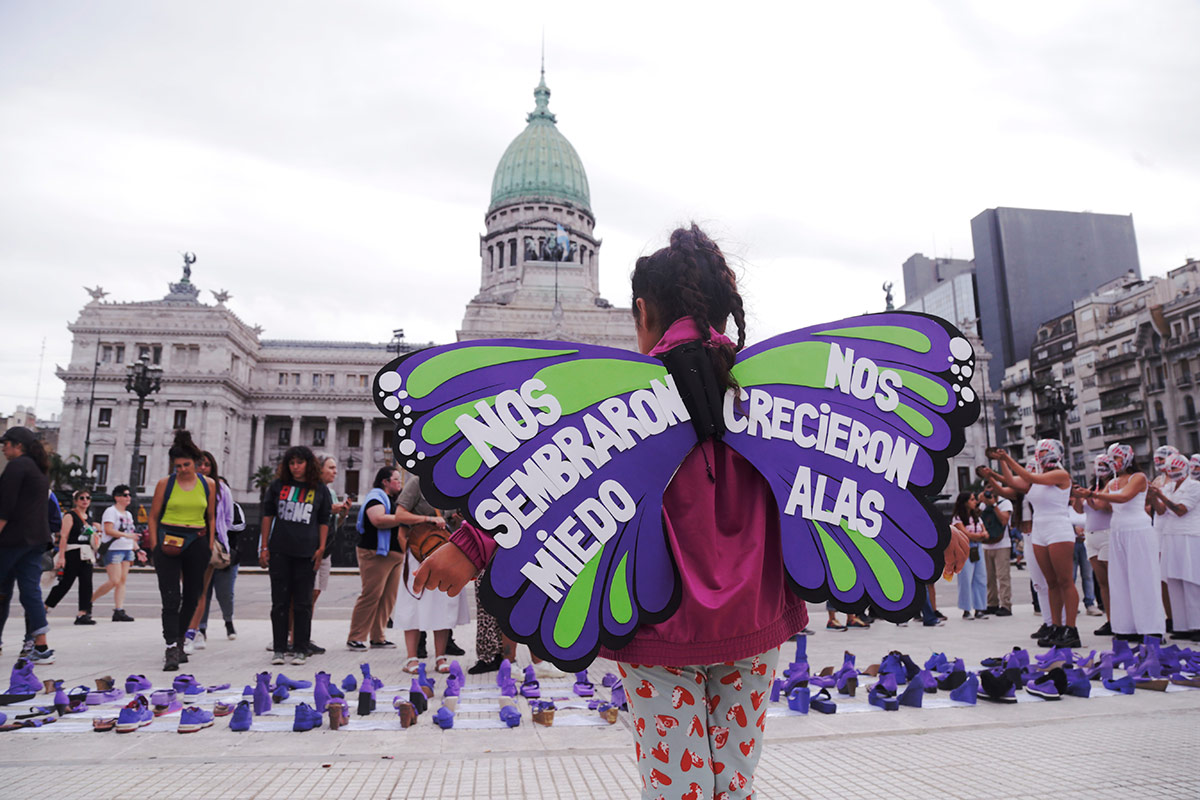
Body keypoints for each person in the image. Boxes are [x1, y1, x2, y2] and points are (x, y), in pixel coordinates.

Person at [414, 225, 810, 797]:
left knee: (679, 785)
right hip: (754, 620)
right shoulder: (773, 391)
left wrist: (474, 544)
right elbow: (851, 465)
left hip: (657, 619)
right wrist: (928, 527)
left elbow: (552, 478)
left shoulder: (621, 397)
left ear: (643, 312)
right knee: (735, 782)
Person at [987, 440, 1081, 647]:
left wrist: (1007, 457)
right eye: (1040, 452)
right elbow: (1012, 483)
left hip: (1058, 528)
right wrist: (1001, 464)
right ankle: (1056, 626)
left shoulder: (1060, 475)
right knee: (1051, 583)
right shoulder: (1036, 481)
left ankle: (1071, 629)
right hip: (1039, 529)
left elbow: (1028, 477)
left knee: (1065, 581)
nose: (1042, 455)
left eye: (1046, 452)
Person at [148, 430, 215, 671]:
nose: (183, 469)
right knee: (170, 597)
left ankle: (179, 640)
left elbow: (211, 516)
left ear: (196, 464)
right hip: (169, 540)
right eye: (178, 466)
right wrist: (155, 546)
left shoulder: (208, 484)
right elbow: (153, 517)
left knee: (193, 595)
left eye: (187, 465)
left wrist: (209, 545)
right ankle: (170, 646)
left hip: (197, 540)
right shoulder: (165, 484)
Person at [1084, 443, 1164, 640]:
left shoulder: (1139, 478)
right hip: (1118, 531)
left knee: (1143, 578)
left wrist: (1092, 494)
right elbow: (1103, 505)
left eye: (1117, 459)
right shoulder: (1113, 482)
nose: (1114, 463)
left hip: (1138, 530)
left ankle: (1151, 628)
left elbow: (1124, 497)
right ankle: (1128, 627)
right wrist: (1083, 497)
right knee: (1120, 580)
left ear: (1127, 458)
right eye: (1112, 460)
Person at [260, 446, 330, 666]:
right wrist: (264, 547)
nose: (295, 467)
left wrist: (321, 548)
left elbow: (324, 521)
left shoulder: (319, 489)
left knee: (303, 603)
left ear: (308, 464)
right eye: (291, 463)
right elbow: (267, 516)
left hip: (306, 552)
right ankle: (279, 648)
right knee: (279, 602)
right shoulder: (277, 486)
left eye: (299, 463)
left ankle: (301, 647)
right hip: (280, 550)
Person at [348, 466, 426, 656]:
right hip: (376, 553)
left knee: (387, 598)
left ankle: (378, 637)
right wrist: (405, 519)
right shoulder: (376, 496)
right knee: (371, 595)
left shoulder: (392, 499)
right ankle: (356, 637)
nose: (399, 483)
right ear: (385, 482)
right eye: (396, 480)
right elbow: (377, 520)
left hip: (394, 554)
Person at [392, 475, 465, 674]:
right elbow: (400, 515)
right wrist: (428, 518)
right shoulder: (418, 482)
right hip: (419, 551)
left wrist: (456, 521)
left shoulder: (454, 483)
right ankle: (412, 658)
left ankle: (441, 657)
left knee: (443, 602)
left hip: (445, 551)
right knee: (414, 602)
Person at [0, 427, 54, 663]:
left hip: (12, 540)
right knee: (31, 592)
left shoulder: (17, 467)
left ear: (18, 446)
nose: (3, 448)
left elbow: (5, 508)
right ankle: (40, 646)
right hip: (36, 540)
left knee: (2, 592)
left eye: (6, 443)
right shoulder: (39, 471)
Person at [1146, 451, 1200, 641]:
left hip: (1190, 535)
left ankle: (1197, 625)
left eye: (1175, 467)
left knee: (1191, 581)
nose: (1171, 471)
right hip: (1170, 536)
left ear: (1184, 467)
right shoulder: (1168, 487)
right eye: (1169, 468)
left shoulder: (1194, 486)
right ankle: (1182, 625)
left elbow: (1180, 510)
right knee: (1174, 581)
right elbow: (1161, 511)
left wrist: (1160, 494)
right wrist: (1152, 496)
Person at [188, 451, 237, 649]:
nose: (202, 468)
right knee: (190, 590)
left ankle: (194, 631)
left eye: (206, 465)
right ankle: (192, 629)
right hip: (187, 540)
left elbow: (228, 518)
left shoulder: (221, 489)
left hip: (208, 543)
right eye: (199, 464)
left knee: (201, 590)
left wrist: (219, 539)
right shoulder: (184, 487)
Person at [44, 488, 99, 624]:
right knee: (65, 583)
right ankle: (44, 608)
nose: (85, 500)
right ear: (75, 501)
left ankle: (83, 613)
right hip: (72, 552)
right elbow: (64, 537)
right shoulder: (70, 515)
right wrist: (61, 556)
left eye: (87, 498)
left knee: (87, 583)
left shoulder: (89, 518)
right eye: (82, 498)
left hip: (86, 553)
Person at [1074, 454, 1115, 635]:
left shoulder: (1112, 487)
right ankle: (1110, 619)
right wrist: (1077, 496)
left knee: (1113, 581)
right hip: (1091, 537)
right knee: (1103, 582)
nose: (1101, 469)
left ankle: (1119, 618)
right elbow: (1079, 509)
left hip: (1107, 534)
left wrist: (1088, 496)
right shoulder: (1093, 487)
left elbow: (1102, 506)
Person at [92, 484, 139, 621]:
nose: (128, 497)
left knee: (122, 581)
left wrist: (137, 548)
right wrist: (128, 537)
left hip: (126, 548)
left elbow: (131, 533)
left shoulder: (128, 514)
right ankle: (89, 601)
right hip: (113, 549)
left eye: (129, 495)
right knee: (114, 580)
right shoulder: (111, 511)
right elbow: (109, 530)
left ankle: (119, 610)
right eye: (125, 495)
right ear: (117, 497)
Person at [976, 481, 1013, 615]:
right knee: (989, 576)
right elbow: (974, 518)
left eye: (993, 487)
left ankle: (1006, 605)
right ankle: (992, 603)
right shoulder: (983, 504)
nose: (990, 490)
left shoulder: (1005, 503)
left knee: (1003, 576)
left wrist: (994, 505)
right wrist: (979, 503)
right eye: (988, 488)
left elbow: (1004, 520)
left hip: (1002, 544)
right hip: (986, 543)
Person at [951, 492, 989, 619]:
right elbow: (965, 534)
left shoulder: (976, 516)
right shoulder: (958, 518)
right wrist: (980, 536)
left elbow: (985, 531)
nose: (975, 502)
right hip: (964, 549)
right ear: (965, 502)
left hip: (977, 548)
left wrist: (982, 535)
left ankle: (980, 607)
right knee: (965, 579)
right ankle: (966, 609)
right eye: (972, 499)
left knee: (980, 578)